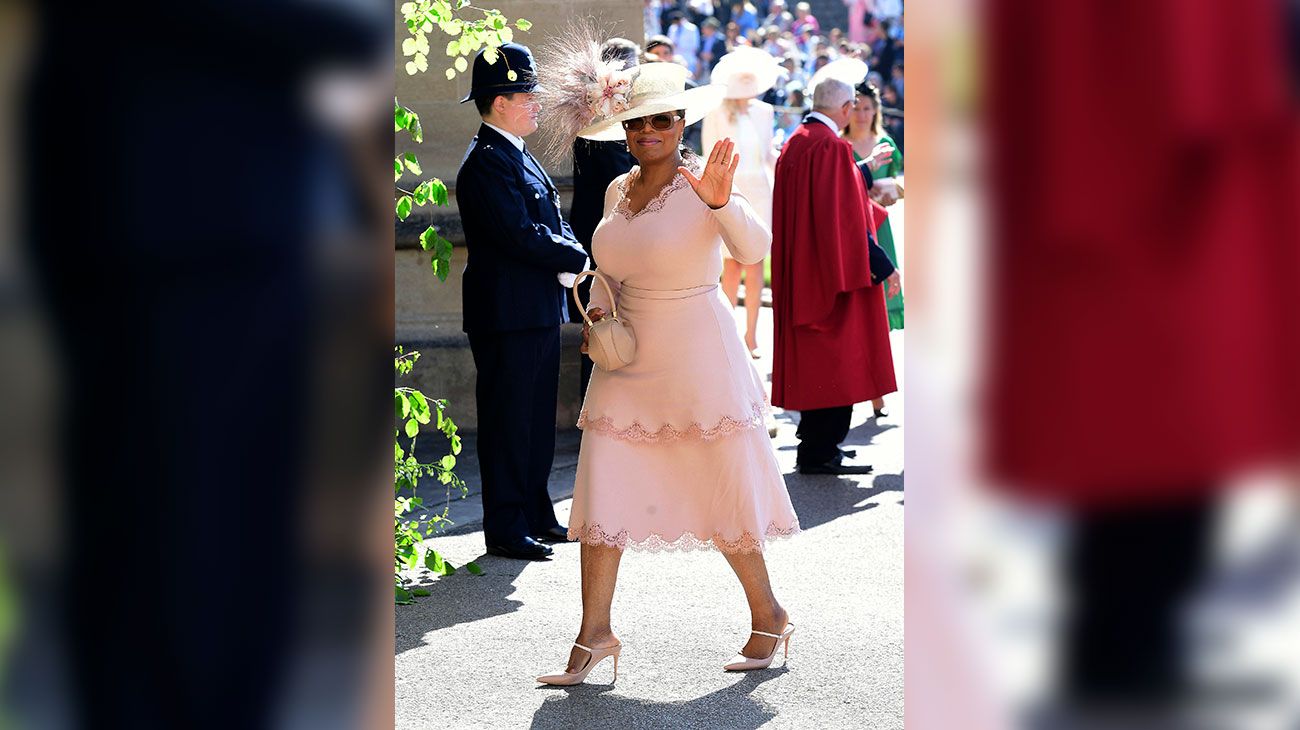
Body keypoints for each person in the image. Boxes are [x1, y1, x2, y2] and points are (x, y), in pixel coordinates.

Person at [534, 61, 800, 685]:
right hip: (626, 362)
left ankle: (770, 613)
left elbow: (755, 251)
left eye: (663, 118)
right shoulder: (615, 190)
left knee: (720, 489)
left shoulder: (703, 183)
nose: (650, 129)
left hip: (697, 357)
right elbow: (615, 266)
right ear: (625, 131)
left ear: (682, 124)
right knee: (604, 489)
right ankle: (594, 634)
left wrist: (722, 201)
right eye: (639, 121)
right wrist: (601, 304)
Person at [455, 43, 591, 560]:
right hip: (507, 313)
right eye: (526, 93)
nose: (536, 101)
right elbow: (519, 233)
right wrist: (576, 254)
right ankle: (507, 526)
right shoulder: (488, 161)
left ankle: (535, 512)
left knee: (534, 419)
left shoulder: (511, 149)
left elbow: (544, 222)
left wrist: (569, 249)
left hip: (531, 307)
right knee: (509, 420)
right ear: (500, 100)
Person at [771, 77, 900, 475]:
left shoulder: (799, 140)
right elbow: (844, 220)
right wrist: (884, 267)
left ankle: (818, 446)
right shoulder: (830, 146)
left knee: (817, 363)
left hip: (805, 268)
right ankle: (821, 451)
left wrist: (862, 168)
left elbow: (828, 198)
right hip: (830, 274)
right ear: (846, 109)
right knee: (834, 361)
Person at [565, 38, 641, 399]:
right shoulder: (601, 126)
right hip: (605, 241)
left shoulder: (606, 119)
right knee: (601, 332)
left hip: (605, 238)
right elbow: (621, 187)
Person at [703, 47, 781, 358]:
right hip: (731, 190)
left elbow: (768, 155)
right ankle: (731, 331)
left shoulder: (765, 112)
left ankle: (752, 334)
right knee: (730, 264)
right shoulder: (716, 111)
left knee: (756, 261)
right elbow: (711, 153)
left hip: (760, 191)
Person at [844, 82, 904, 417]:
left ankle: (877, 388)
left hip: (880, 228)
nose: (863, 114)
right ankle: (866, 387)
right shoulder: (841, 145)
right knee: (859, 307)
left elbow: (901, 186)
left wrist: (893, 190)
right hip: (854, 230)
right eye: (857, 107)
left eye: (868, 108)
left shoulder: (887, 144)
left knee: (880, 308)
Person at [667, 11, 701, 76]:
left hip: (688, 58)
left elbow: (695, 45)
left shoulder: (692, 28)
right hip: (675, 59)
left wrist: (679, 45)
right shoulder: (672, 28)